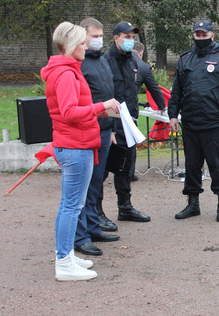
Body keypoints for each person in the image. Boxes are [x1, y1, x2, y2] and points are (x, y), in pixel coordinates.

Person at [40, 21, 120, 281]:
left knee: (72, 205)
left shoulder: (67, 70)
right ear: (72, 45)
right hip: (74, 145)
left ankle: (67, 256)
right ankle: (64, 261)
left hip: (77, 143)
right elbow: (70, 112)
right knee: (71, 206)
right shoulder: (65, 74)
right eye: (84, 43)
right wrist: (101, 107)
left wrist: (101, 109)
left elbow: (75, 108)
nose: (87, 47)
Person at [168, 20, 219, 222]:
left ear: (212, 35)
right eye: (197, 35)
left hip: (215, 122)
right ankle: (193, 204)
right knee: (192, 165)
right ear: (193, 35)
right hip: (191, 121)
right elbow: (177, 90)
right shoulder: (185, 59)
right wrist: (173, 114)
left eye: (204, 35)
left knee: (218, 164)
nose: (201, 38)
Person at [71, 17, 120, 258]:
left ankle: (92, 227)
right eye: (94, 36)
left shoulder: (101, 59)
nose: (98, 40)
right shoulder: (78, 64)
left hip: (103, 130)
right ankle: (80, 236)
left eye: (101, 35)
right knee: (84, 186)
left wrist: (111, 129)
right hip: (86, 131)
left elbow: (107, 93)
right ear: (82, 36)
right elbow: (81, 101)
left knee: (96, 183)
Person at [102, 21, 151, 223]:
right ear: (116, 38)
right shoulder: (106, 60)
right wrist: (111, 128)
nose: (131, 40)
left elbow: (131, 91)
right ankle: (96, 212)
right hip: (111, 124)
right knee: (103, 170)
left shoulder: (132, 60)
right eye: (127, 37)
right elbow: (105, 94)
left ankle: (125, 207)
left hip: (129, 122)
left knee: (125, 167)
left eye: (133, 37)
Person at [130, 42, 167, 182]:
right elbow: (154, 88)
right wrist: (162, 106)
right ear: (141, 53)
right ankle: (129, 172)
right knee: (130, 139)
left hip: (110, 106)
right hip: (129, 107)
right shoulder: (143, 67)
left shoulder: (115, 61)